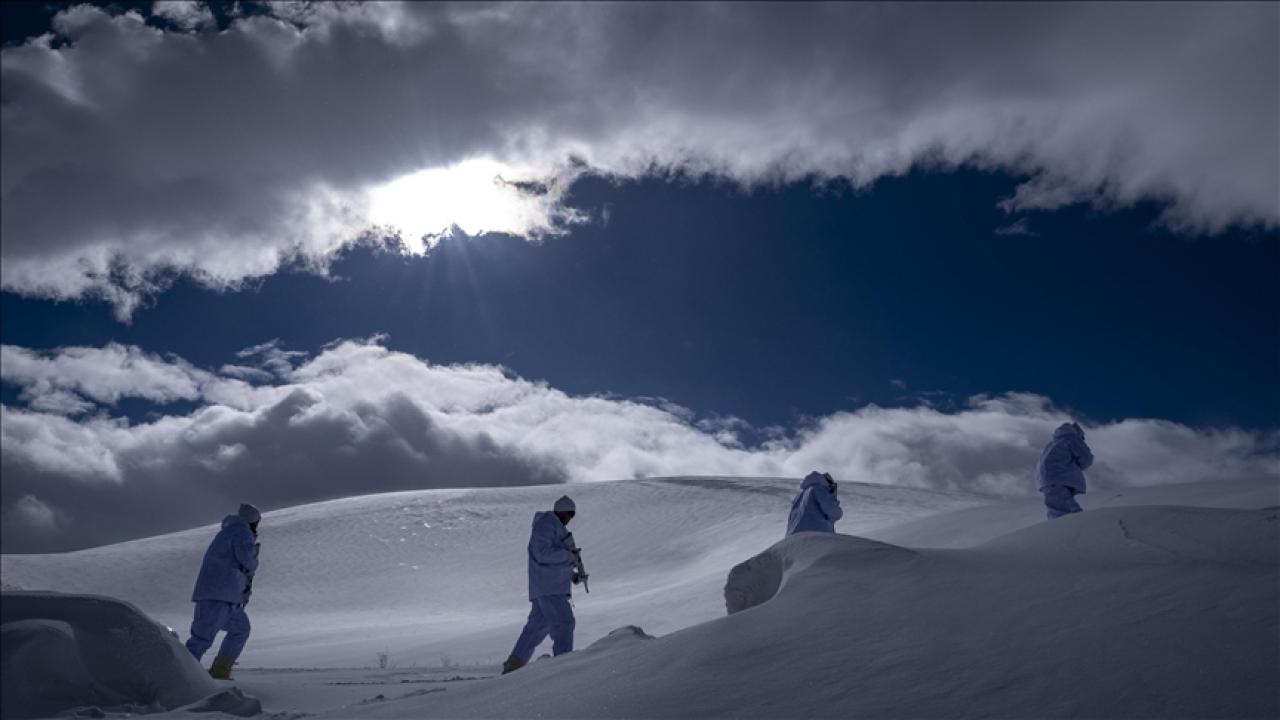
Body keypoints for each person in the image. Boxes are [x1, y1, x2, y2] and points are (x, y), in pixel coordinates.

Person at [502, 495, 584, 674]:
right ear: (562, 511)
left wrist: (573, 576)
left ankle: (514, 665)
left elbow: (555, 558)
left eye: (573, 515)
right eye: (570, 513)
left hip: (549, 586)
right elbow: (542, 553)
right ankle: (562, 666)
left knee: (537, 628)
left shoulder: (555, 528)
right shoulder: (546, 525)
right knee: (564, 623)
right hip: (550, 586)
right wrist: (568, 556)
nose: (570, 518)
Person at [186, 503, 261, 680]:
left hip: (227, 596)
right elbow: (248, 561)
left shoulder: (229, 532)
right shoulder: (241, 532)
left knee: (240, 630)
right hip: (219, 595)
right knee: (202, 638)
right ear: (252, 521)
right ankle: (182, 677)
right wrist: (254, 557)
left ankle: (220, 670)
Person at [1036, 422, 1094, 519]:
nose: (1083, 440)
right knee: (1067, 512)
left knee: (1056, 510)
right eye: (1082, 437)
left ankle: (1059, 531)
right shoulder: (1072, 439)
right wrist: (1079, 466)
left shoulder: (1052, 444)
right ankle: (1077, 530)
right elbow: (1086, 458)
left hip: (1046, 480)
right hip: (1060, 478)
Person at [786, 471, 843, 536]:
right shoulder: (819, 489)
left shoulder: (799, 495)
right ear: (827, 482)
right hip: (815, 535)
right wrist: (833, 499)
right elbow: (834, 512)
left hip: (794, 536)